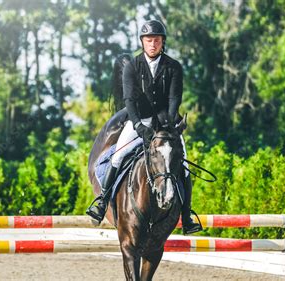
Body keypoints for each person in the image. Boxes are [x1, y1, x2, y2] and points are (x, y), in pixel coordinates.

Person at [86, 20, 202, 234]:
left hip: (166, 122)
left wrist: (168, 126)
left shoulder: (173, 66)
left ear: (162, 42)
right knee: (118, 156)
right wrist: (139, 126)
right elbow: (129, 100)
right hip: (140, 120)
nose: (152, 44)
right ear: (143, 42)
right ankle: (102, 203)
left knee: (183, 163)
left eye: (156, 40)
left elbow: (175, 97)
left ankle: (186, 216)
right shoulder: (132, 66)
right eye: (149, 40)